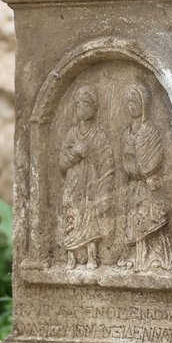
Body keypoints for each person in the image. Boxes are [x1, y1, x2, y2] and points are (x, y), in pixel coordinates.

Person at [118, 84, 172, 271]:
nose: (131, 105)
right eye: (129, 101)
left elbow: (156, 156)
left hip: (148, 184)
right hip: (134, 185)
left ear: (144, 104)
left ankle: (154, 257)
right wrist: (130, 169)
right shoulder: (126, 133)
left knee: (150, 221)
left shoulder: (150, 131)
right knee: (134, 222)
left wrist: (145, 171)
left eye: (135, 101)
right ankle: (135, 258)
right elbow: (124, 159)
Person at [58, 86, 114, 269]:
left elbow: (108, 164)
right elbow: (62, 163)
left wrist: (104, 192)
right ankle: (71, 258)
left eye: (86, 104)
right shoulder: (71, 134)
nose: (82, 107)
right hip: (73, 185)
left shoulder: (99, 135)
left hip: (91, 185)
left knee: (90, 219)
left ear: (94, 108)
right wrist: (76, 152)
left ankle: (92, 257)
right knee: (72, 218)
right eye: (79, 104)